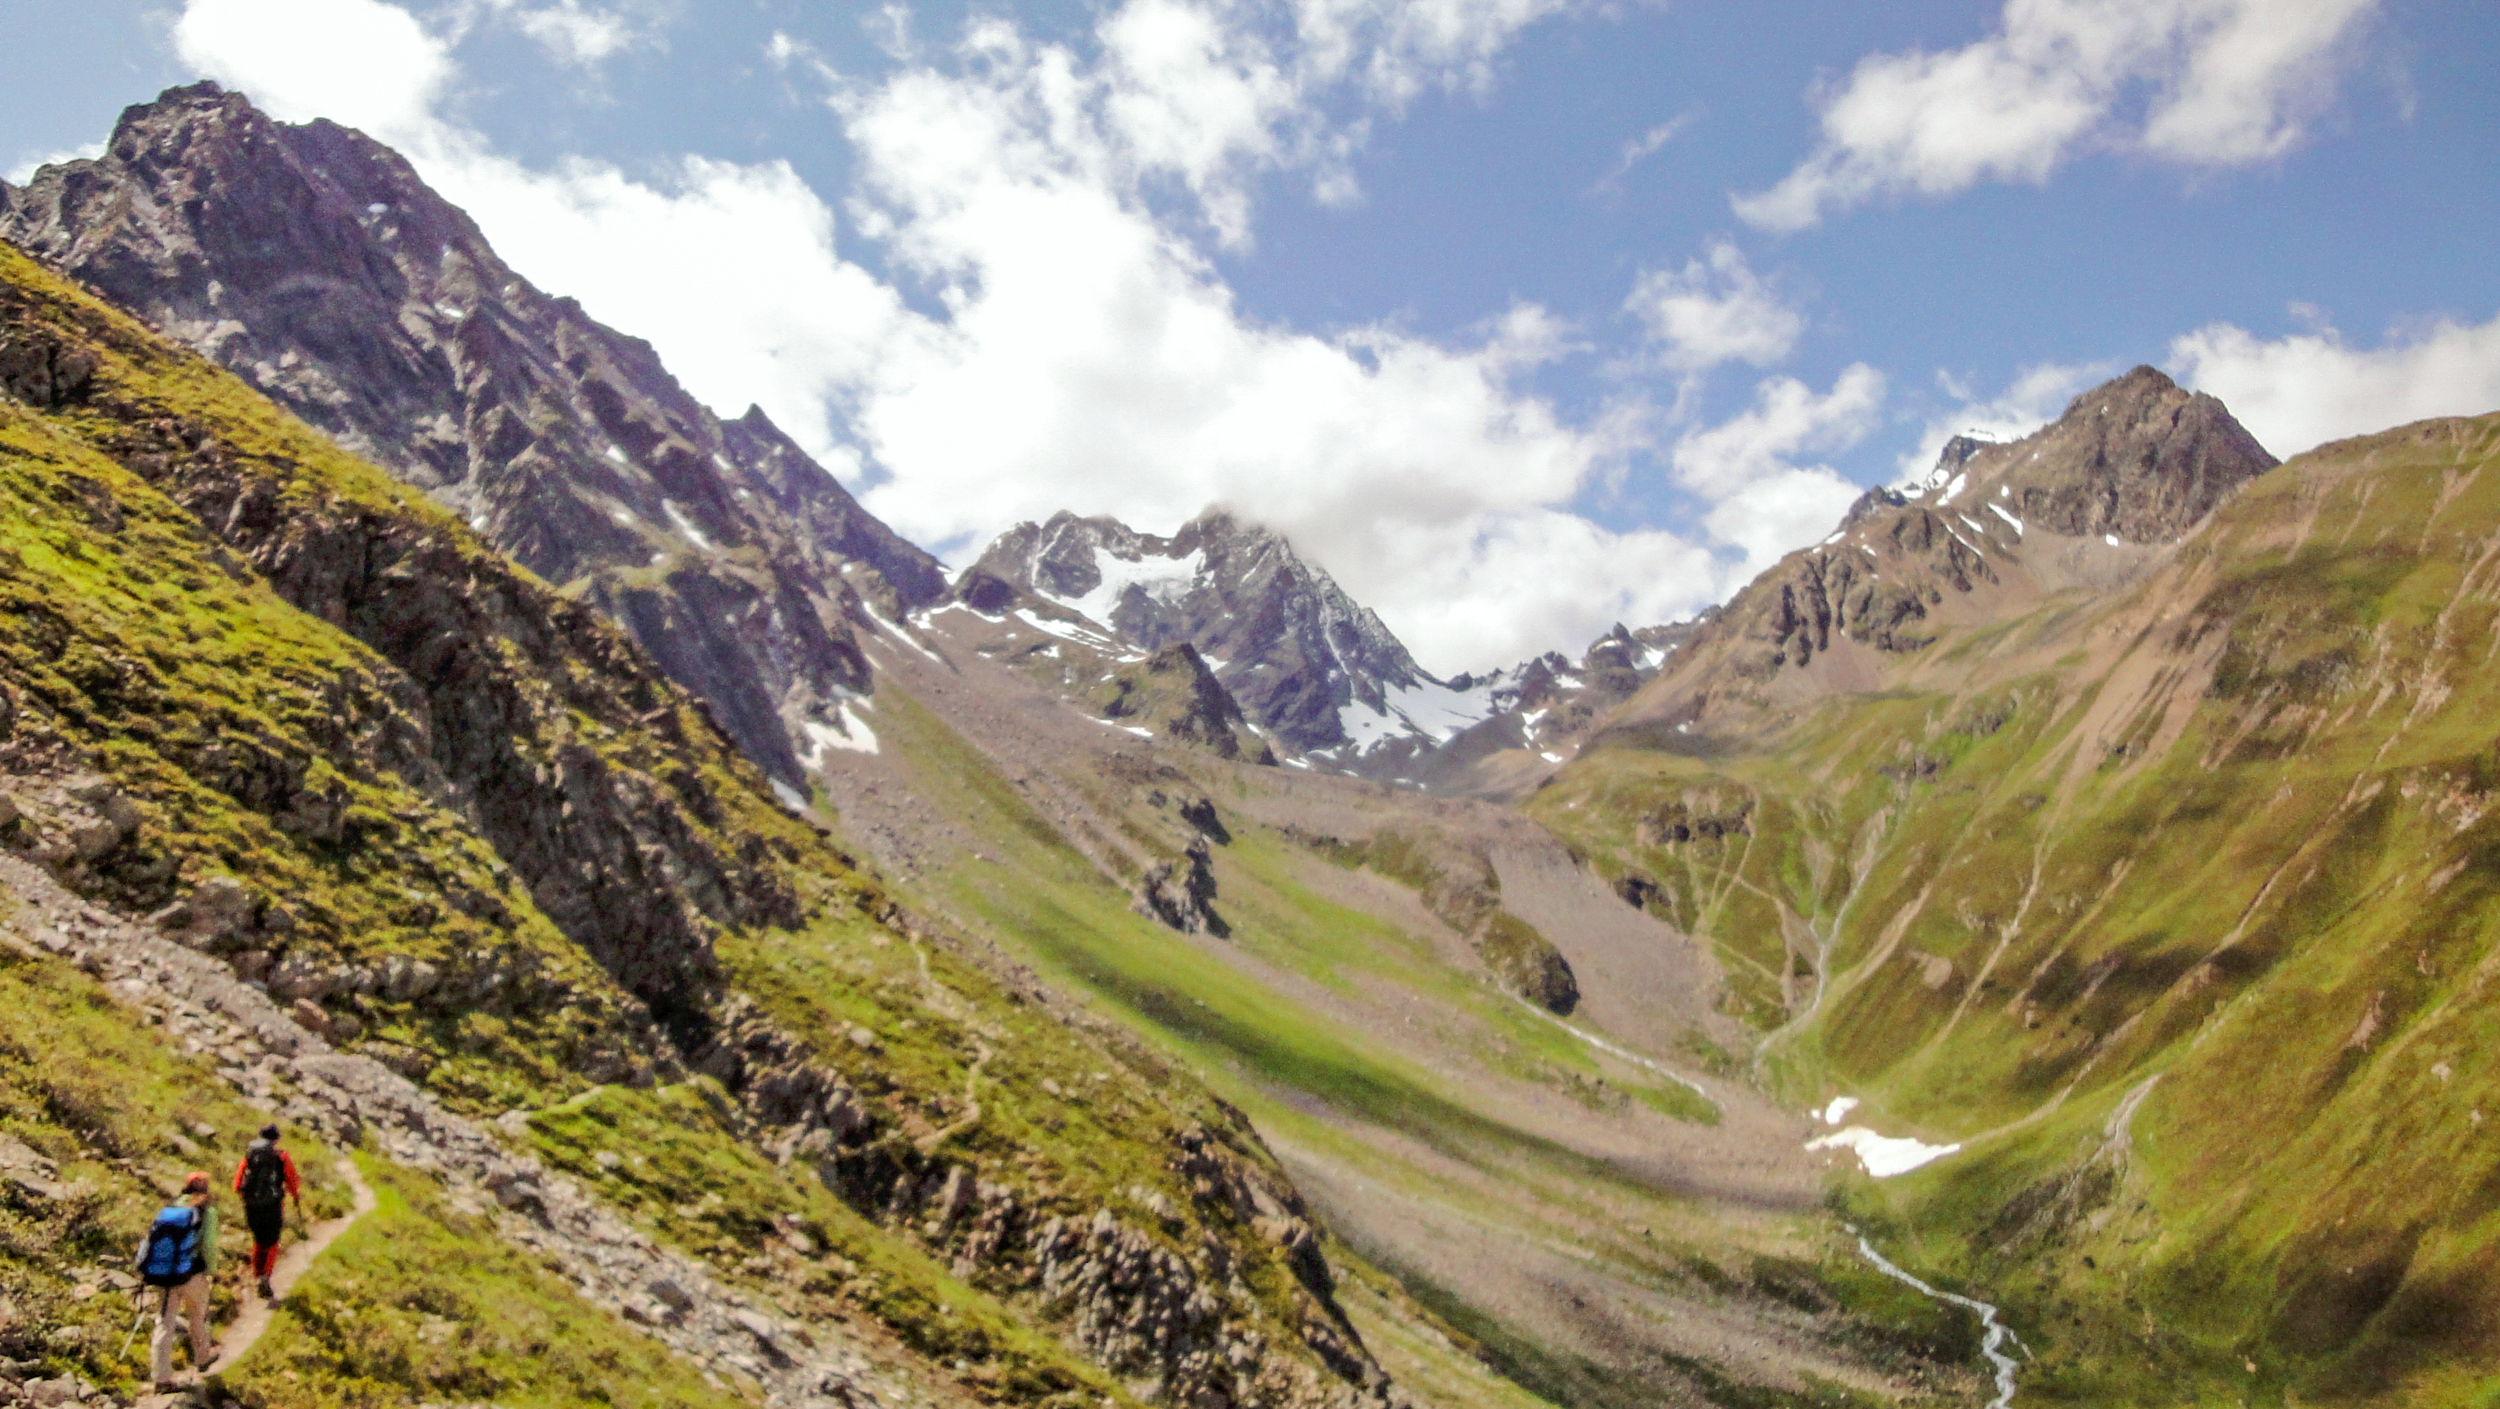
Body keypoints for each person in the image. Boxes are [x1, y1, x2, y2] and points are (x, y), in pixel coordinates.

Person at [136, 1170, 218, 1389]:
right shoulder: (205, 1212)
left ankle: (161, 1378)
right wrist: (211, 1271)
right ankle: (202, 1358)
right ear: (205, 1190)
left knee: (164, 1324)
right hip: (192, 1275)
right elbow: (208, 1246)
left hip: (165, 1276)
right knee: (198, 1317)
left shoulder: (170, 1209)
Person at [232, 1124, 302, 1301]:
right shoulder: (281, 1157)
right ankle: (265, 1277)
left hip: (251, 1206)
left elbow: (237, 1184)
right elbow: (292, 1180)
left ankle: (257, 1273)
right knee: (272, 1241)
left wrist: (249, 1198)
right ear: (276, 1139)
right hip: (272, 1205)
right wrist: (295, 1196)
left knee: (258, 1239)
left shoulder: (249, 1155)